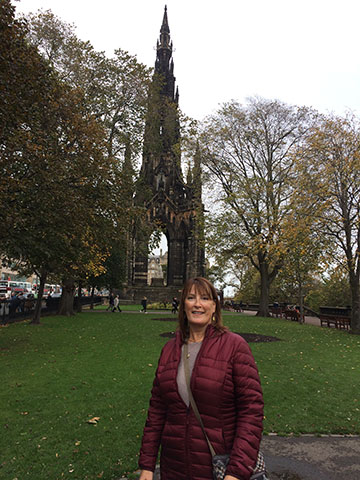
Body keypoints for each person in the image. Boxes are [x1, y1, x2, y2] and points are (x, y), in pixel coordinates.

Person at [138, 277, 264, 480]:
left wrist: (236, 472)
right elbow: (157, 411)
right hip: (175, 468)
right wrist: (147, 465)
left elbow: (251, 411)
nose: (197, 304)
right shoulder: (169, 350)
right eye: (190, 298)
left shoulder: (234, 346)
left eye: (205, 298)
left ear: (214, 306)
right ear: (183, 306)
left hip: (220, 469)